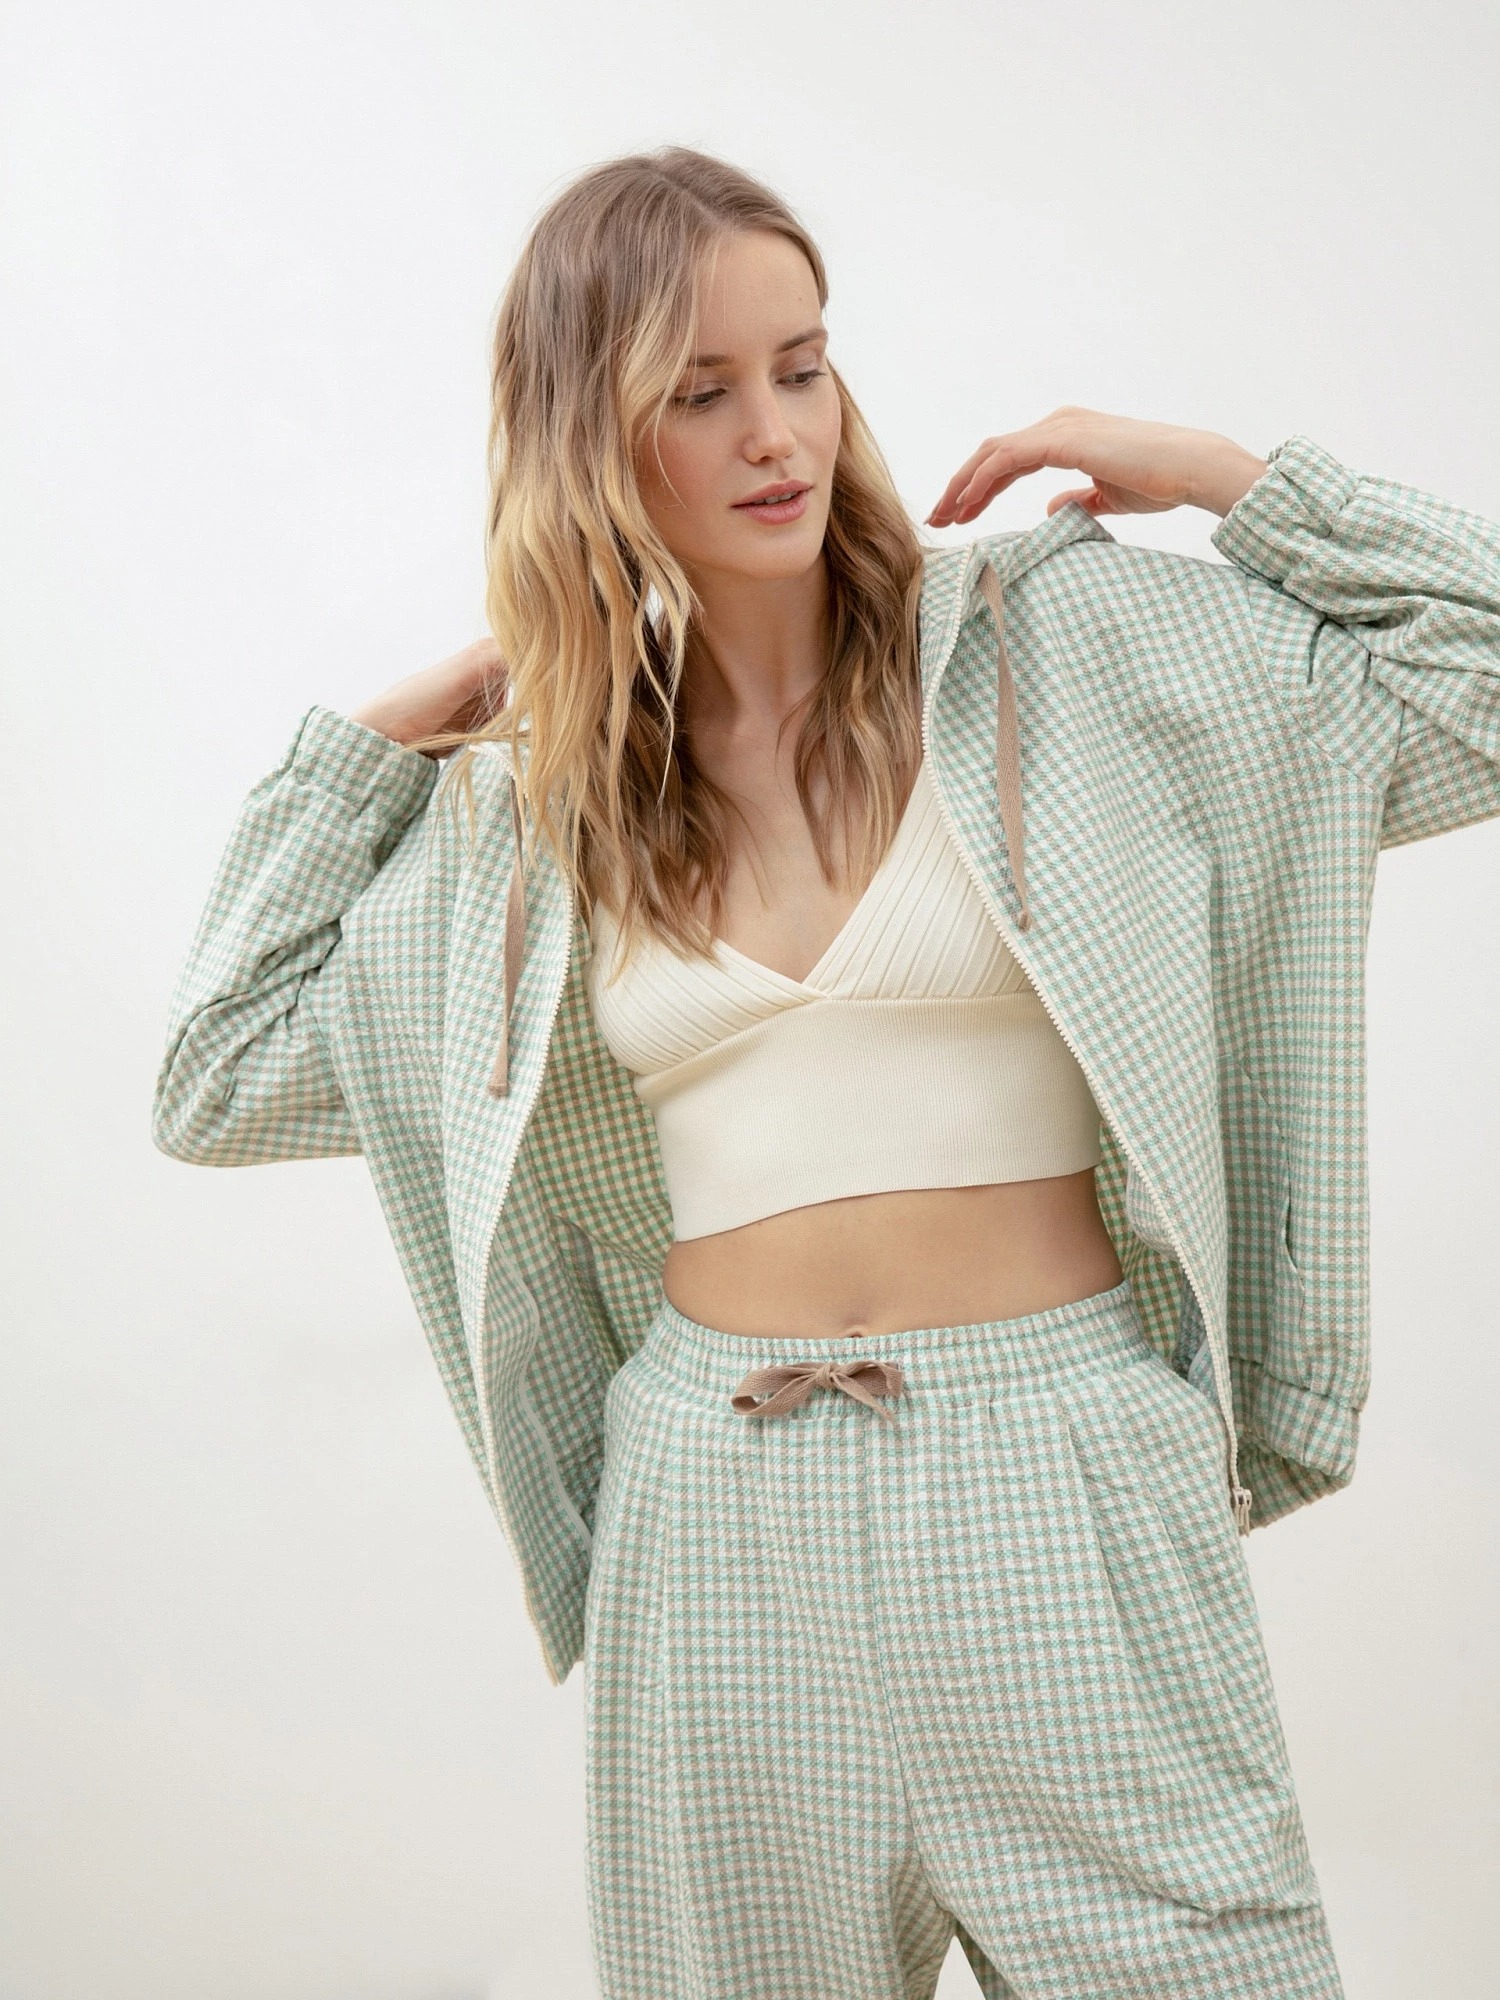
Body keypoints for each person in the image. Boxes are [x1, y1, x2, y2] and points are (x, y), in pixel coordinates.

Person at [153, 145, 1500, 1999]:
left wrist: (1221, 476)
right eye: (699, 392)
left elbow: (1480, 679)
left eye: (802, 365)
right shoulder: (532, 819)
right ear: (587, 440)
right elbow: (218, 1073)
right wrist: (378, 746)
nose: (776, 432)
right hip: (712, 1517)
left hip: (1064, 1474)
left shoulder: (1053, 650)